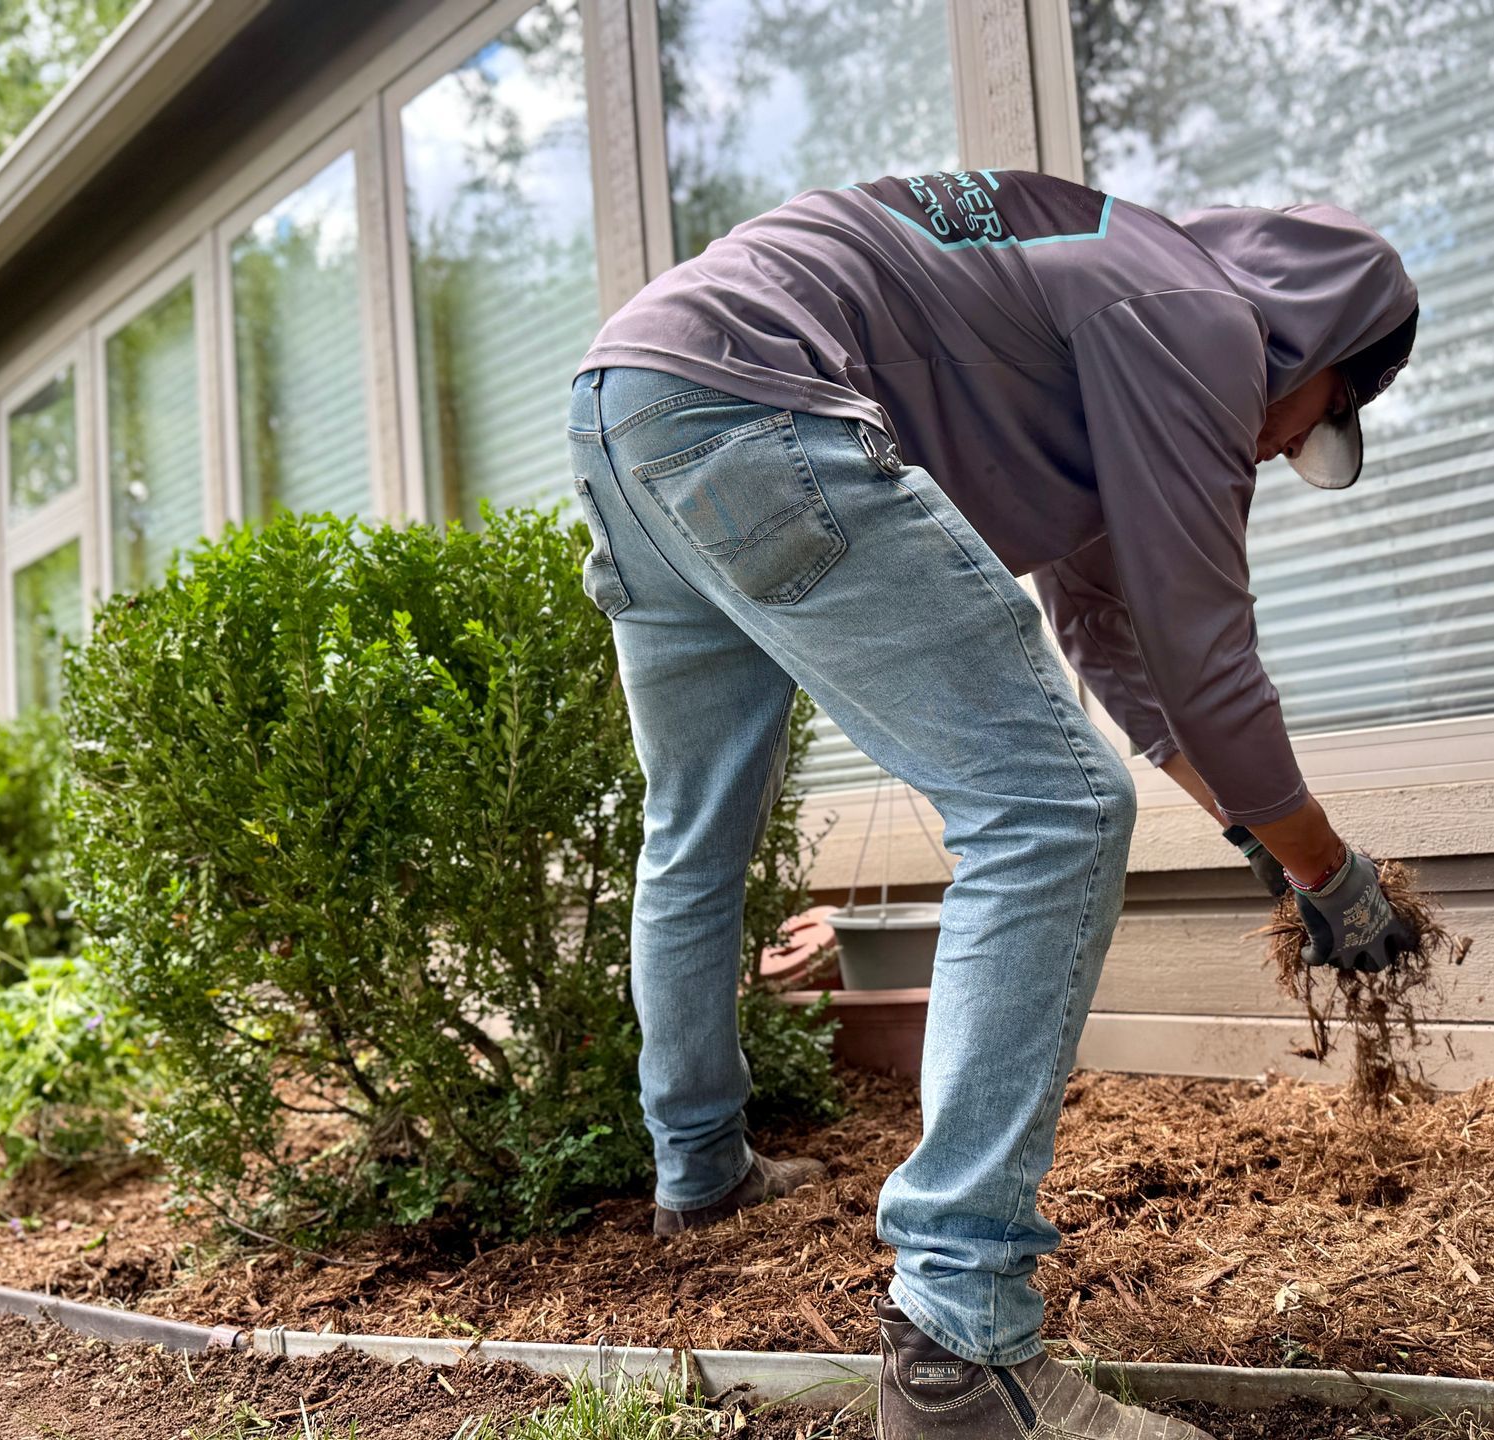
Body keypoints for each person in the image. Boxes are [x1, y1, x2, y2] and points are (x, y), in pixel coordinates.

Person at [566, 168, 1419, 1440]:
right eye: (1321, 420)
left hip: (633, 403)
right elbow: (1205, 651)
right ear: (1316, 341)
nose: (1290, 445)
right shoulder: (1199, 321)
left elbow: (1118, 645)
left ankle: (701, 1174)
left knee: (694, 830)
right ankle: (962, 1345)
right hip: (759, 401)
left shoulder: (1115, 303)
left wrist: (1251, 829)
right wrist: (1335, 877)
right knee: (1051, 813)